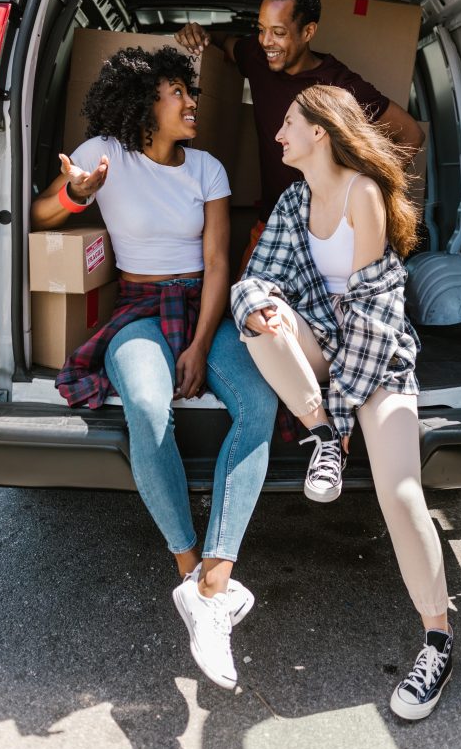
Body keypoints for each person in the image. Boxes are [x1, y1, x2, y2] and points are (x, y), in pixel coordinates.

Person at [30, 45, 278, 692]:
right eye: (178, 94)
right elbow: (40, 214)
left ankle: (217, 579)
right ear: (145, 105)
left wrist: (199, 346)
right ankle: (189, 575)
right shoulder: (101, 153)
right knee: (144, 404)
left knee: (258, 403)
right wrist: (77, 193)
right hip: (139, 307)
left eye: (189, 93)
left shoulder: (207, 168)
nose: (192, 103)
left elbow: (220, 263)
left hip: (204, 307)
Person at [230, 84, 452, 720]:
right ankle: (321, 436)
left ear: (321, 131)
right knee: (256, 314)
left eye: (288, 125)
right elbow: (257, 276)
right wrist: (268, 308)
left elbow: (377, 315)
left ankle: (437, 640)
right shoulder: (292, 200)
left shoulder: (364, 195)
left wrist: (351, 399)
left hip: (377, 355)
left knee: (401, 494)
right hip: (320, 348)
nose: (278, 137)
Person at [176, 0, 425, 265]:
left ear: (308, 32)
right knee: (244, 302)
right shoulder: (257, 58)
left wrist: (362, 194)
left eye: (278, 32)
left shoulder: (339, 86)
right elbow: (222, 41)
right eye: (261, 30)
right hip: (270, 222)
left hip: (322, 233)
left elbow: (411, 134)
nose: (266, 41)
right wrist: (197, 32)